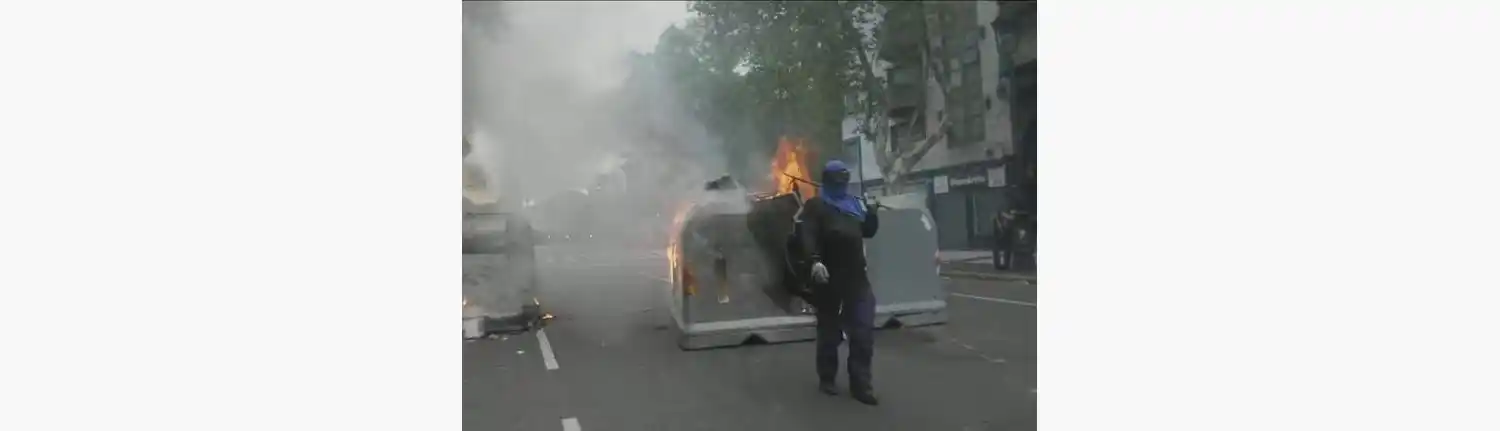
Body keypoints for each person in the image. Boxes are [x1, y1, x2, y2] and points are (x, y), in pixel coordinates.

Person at [799, 160, 881, 406]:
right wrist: (815, 261)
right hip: (828, 278)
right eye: (837, 180)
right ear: (827, 180)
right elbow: (808, 235)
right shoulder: (816, 206)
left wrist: (873, 211)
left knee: (864, 330)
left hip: (857, 278)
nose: (841, 185)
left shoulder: (855, 205)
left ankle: (861, 384)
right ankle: (827, 377)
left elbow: (868, 231)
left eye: (844, 180)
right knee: (829, 331)